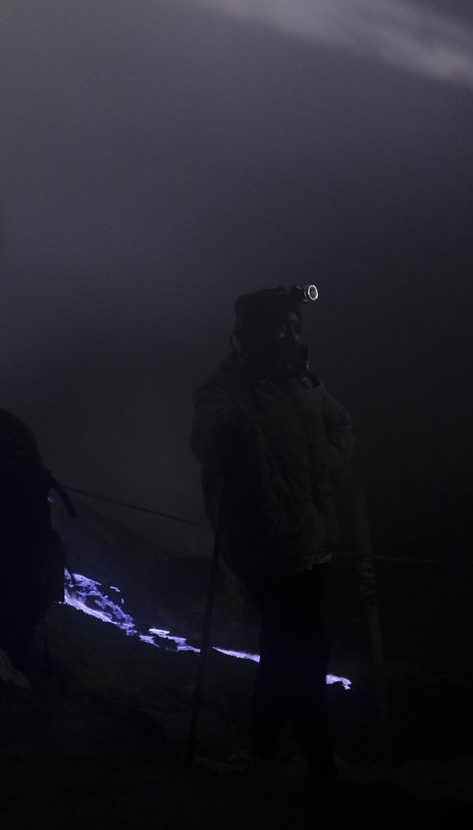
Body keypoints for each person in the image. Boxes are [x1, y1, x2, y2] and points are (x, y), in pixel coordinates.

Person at [191, 285, 354, 778]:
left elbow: (341, 425)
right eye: (279, 327)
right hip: (266, 547)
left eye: (294, 326)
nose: (289, 336)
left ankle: (263, 750)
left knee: (285, 648)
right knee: (305, 648)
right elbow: (208, 433)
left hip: (312, 543)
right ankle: (319, 763)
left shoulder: (305, 385)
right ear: (251, 334)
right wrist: (224, 440)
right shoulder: (227, 389)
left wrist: (323, 469)